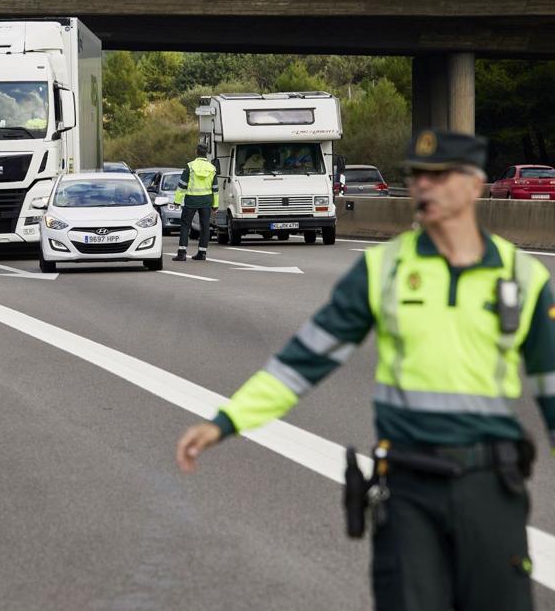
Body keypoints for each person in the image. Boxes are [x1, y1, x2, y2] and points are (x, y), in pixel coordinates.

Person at [175, 130, 555, 611]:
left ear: (476, 184)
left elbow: (552, 388)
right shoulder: (384, 270)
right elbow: (305, 359)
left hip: (490, 485)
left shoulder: (524, 277)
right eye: (418, 176)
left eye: (441, 176)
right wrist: (226, 422)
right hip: (409, 485)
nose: (425, 188)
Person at [173, 144, 219, 262]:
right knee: (205, 227)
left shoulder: (190, 166)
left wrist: (177, 201)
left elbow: (182, 185)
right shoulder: (212, 168)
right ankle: (202, 252)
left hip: (191, 200)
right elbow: (215, 188)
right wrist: (215, 205)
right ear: (206, 153)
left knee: (185, 225)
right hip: (206, 201)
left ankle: (182, 253)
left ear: (196, 152)